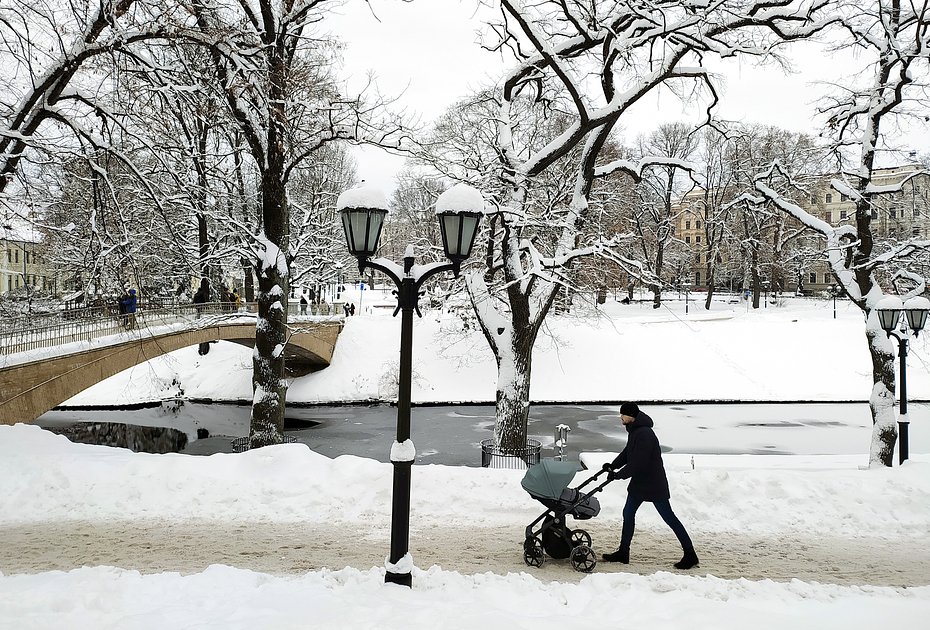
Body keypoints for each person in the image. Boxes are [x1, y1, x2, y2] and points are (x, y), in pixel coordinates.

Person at [601, 402, 699, 570]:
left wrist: (619, 475)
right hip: (639, 482)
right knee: (628, 513)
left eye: (623, 415)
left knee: (669, 517)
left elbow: (639, 461)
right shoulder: (634, 430)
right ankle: (623, 552)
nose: (621, 417)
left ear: (631, 416)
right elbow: (628, 453)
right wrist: (613, 465)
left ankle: (690, 555)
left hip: (653, 483)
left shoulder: (644, 433)